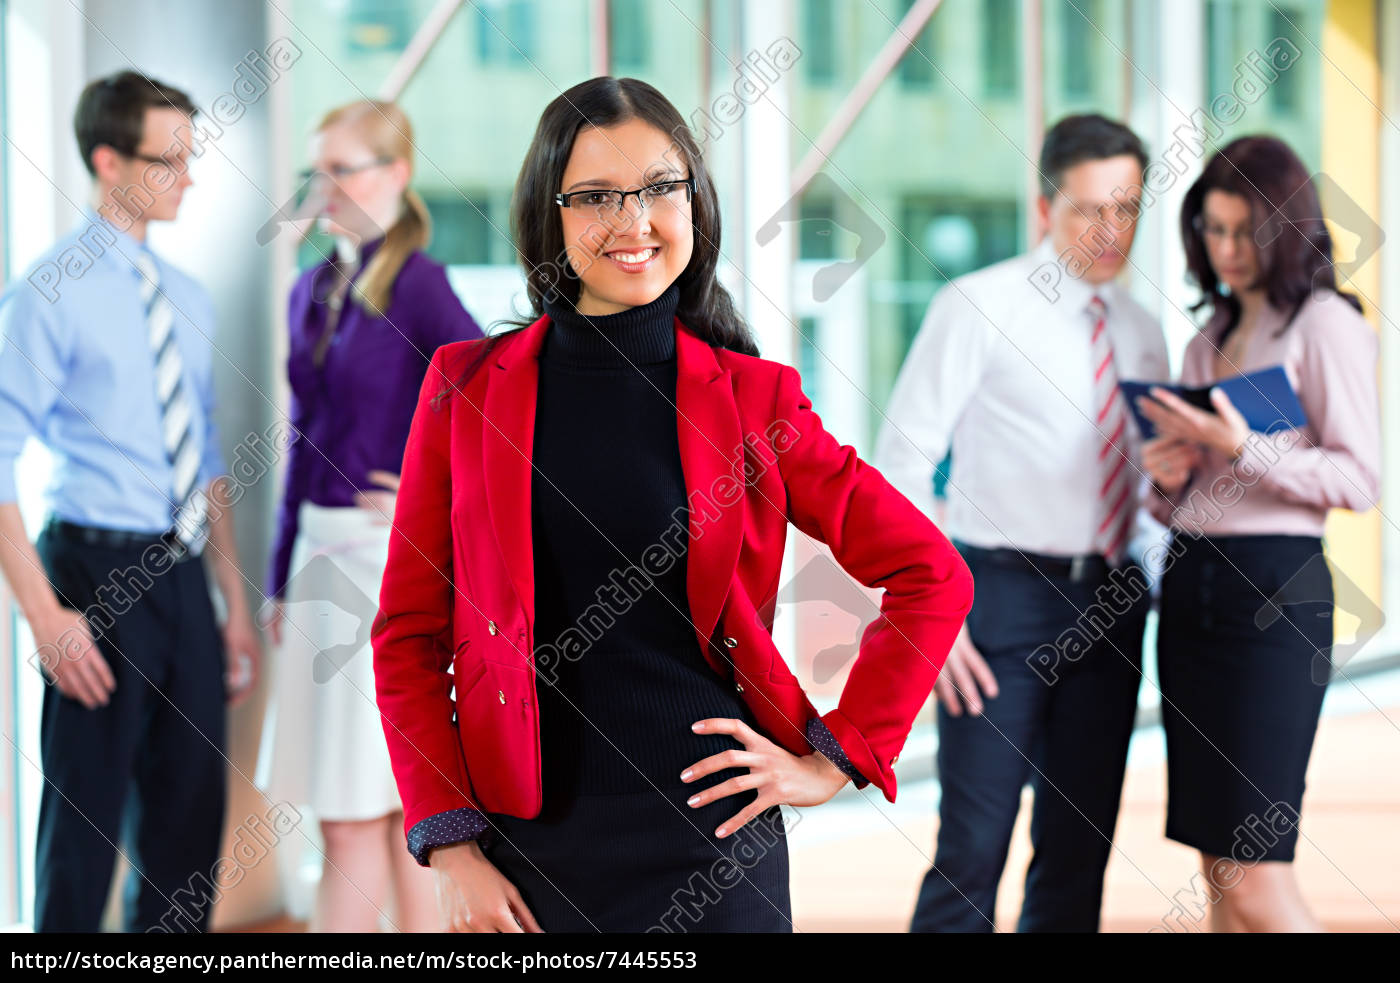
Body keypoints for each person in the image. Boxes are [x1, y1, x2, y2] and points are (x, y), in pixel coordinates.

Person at [370, 76, 973, 933]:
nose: (635, 220)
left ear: (695, 201)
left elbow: (931, 572)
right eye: (596, 197)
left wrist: (837, 756)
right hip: (528, 854)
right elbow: (408, 635)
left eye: (660, 187)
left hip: (714, 846)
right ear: (552, 216)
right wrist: (454, 845)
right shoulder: (464, 391)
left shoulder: (757, 400)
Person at [875, 114, 1169, 932]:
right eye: (1088, 210)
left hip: (1111, 601)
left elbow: (1147, 492)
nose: (1111, 232)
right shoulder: (979, 304)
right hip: (996, 599)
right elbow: (900, 463)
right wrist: (935, 618)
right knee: (975, 843)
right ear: (1044, 209)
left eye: (1127, 208)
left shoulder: (1143, 333)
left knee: (1078, 848)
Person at [0, 71, 262, 932]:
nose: (189, 176)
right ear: (109, 161)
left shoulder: (187, 296)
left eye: (192, 156)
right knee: (83, 831)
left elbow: (209, 455)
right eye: (170, 159)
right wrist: (44, 616)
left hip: (184, 578)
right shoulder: (45, 294)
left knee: (189, 823)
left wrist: (227, 600)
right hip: (94, 571)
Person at [1137, 135, 1379, 933]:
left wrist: (1246, 446)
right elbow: (1190, 501)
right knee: (1216, 864)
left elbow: (1359, 479)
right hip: (1194, 588)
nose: (1228, 250)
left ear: (1284, 226)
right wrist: (1169, 478)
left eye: (1245, 231)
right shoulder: (1206, 336)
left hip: (1274, 594)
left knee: (1257, 873)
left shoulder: (1323, 324)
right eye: (1212, 229)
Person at [254, 99, 484, 933]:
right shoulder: (311, 290)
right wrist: (277, 576)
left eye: (342, 169)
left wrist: (434, 499)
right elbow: (302, 439)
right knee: (354, 809)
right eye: (317, 171)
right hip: (318, 558)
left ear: (395, 174)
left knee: (382, 811)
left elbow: (492, 415)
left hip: (382, 564)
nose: (325, 188)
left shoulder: (423, 287)